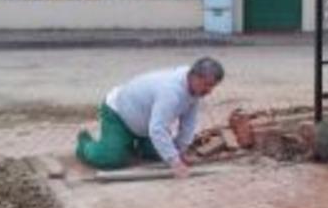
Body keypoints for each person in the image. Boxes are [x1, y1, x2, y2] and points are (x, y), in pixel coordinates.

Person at [76, 57, 224, 178]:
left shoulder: (195, 90)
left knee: (160, 153)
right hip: (118, 114)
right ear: (195, 77)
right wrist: (175, 162)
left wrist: (180, 151)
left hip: (145, 124)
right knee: (111, 159)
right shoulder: (171, 91)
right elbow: (158, 128)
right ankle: (84, 143)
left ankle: (137, 145)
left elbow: (189, 123)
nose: (209, 91)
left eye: (213, 86)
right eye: (207, 85)